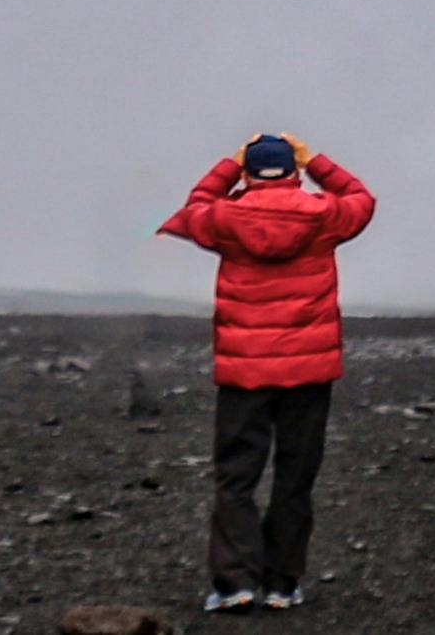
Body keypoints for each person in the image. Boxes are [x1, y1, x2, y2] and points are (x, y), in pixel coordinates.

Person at [158, 131, 375, 614]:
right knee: (295, 478)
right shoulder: (323, 217)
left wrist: (228, 166)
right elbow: (360, 198)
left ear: (249, 174)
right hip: (308, 370)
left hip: (244, 373)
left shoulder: (224, 218)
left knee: (235, 478)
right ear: (294, 172)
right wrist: (315, 159)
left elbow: (195, 205)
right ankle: (281, 584)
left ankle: (235, 583)